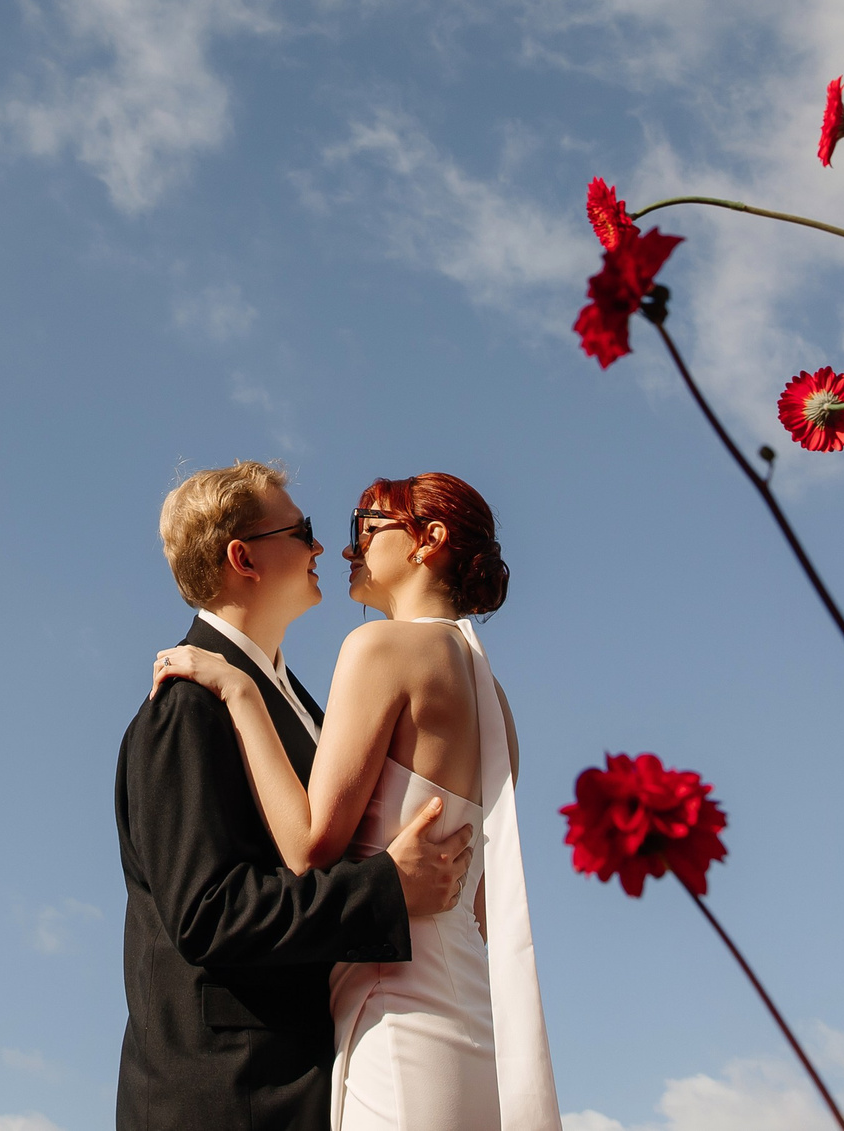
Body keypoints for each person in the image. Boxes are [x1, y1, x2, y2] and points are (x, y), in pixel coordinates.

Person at [151, 473, 560, 1131]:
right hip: (469, 1004)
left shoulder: (379, 647)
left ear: (428, 540)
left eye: (363, 527)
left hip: (395, 1007)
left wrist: (240, 692)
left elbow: (311, 846)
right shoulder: (494, 696)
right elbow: (478, 897)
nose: (347, 550)